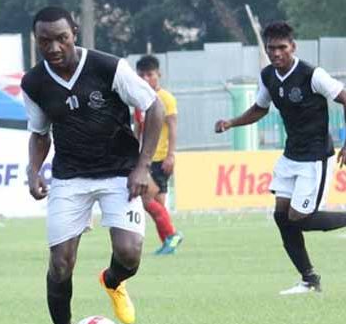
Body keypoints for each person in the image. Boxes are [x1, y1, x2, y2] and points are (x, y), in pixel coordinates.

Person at [23, 7, 163, 324]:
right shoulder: (34, 83)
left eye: (61, 38)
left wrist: (142, 167)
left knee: (129, 254)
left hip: (120, 172)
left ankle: (112, 281)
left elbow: (154, 108)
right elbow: (40, 133)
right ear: (36, 40)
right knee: (60, 263)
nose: (53, 47)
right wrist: (33, 169)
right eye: (44, 41)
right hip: (70, 178)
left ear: (75, 32)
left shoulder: (108, 67)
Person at [215, 21, 346, 295]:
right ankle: (309, 279)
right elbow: (259, 109)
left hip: (315, 158)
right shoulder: (268, 76)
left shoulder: (313, 74)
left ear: (293, 47)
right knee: (281, 216)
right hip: (291, 156)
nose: (276, 53)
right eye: (271, 48)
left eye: (281, 48)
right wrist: (231, 122)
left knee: (301, 218)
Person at [134, 55, 184, 254]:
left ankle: (172, 235)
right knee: (159, 204)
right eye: (142, 75)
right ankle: (168, 244)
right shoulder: (138, 99)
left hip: (160, 158)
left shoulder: (166, 99)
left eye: (150, 74)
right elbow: (138, 128)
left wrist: (171, 155)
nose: (146, 79)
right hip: (145, 158)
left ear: (158, 75)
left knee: (146, 200)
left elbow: (172, 128)